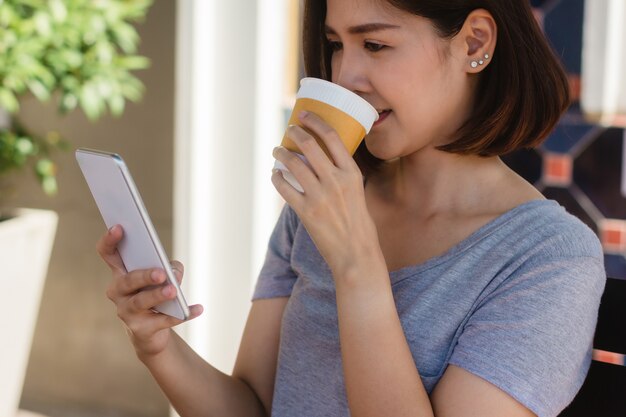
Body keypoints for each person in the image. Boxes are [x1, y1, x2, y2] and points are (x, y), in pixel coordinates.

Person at [97, 0, 606, 416]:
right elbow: (252, 407)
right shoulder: (322, 203)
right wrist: (158, 346)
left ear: (475, 41)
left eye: (376, 44)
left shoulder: (549, 259)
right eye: (336, 45)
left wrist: (357, 267)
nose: (346, 75)